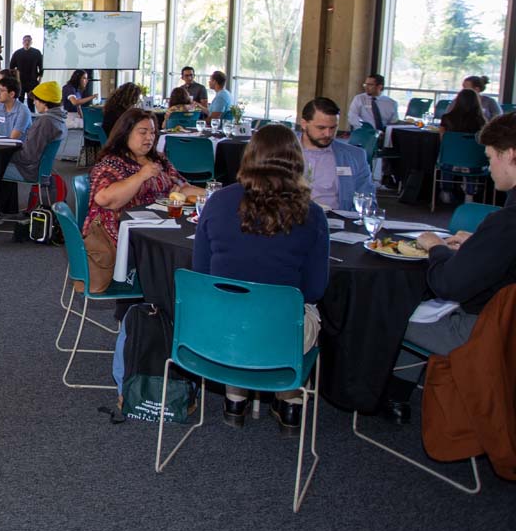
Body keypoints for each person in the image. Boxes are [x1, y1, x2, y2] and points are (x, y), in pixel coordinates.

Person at [193, 125, 329, 433]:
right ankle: (290, 402)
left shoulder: (217, 202)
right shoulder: (313, 214)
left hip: (221, 331)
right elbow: (314, 289)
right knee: (303, 311)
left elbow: (201, 272)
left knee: (233, 303)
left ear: (249, 156)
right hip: (282, 333)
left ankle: (235, 398)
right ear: (297, 162)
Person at [410, 113, 516, 355]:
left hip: (487, 330)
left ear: (509, 154)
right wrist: (478, 244)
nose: (489, 168)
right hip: (505, 325)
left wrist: (436, 247)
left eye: (490, 158)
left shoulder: (505, 222)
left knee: (385, 315)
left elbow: (448, 285)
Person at [83, 109, 204, 293]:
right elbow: (105, 199)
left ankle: (169, 299)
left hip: (159, 226)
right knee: (172, 255)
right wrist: (140, 176)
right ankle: (156, 299)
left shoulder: (158, 159)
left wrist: (215, 194)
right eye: (143, 132)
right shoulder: (112, 163)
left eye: (153, 132)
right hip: (123, 235)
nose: (149, 137)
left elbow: (182, 187)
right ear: (126, 133)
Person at [297, 97, 374, 211]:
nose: (328, 134)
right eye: (321, 128)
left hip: (335, 218)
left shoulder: (355, 156)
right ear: (304, 124)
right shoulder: (280, 151)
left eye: (333, 128)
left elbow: (367, 200)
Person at [3, 81, 66, 184]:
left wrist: (3, 154)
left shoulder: (44, 122)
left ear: (44, 101)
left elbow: (27, 156)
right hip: (40, 170)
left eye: (36, 99)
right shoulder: (59, 120)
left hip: (28, 171)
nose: (33, 103)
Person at [9, 35, 43, 110]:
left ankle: (32, 115)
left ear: (31, 42)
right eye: (25, 41)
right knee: (20, 100)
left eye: (29, 41)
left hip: (32, 80)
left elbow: (41, 67)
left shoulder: (37, 53)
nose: (27, 42)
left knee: (31, 101)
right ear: (22, 42)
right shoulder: (17, 53)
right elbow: (11, 68)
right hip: (20, 80)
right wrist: (15, 79)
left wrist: (39, 80)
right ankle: (19, 114)